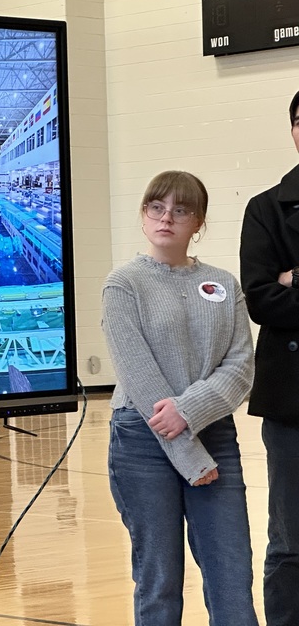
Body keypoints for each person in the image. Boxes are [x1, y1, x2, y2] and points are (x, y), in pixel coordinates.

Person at [102, 170, 258, 626]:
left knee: (231, 573)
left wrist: (189, 412)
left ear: (199, 222)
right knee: (160, 580)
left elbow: (241, 368)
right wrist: (190, 457)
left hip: (215, 437)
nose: (167, 217)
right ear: (144, 215)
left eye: (181, 209)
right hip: (142, 442)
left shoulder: (223, 284)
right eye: (157, 207)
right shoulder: (123, 284)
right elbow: (140, 377)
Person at [239, 89, 299, 626]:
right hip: (292, 401)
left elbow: (285, 292)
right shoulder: (265, 209)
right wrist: (283, 285)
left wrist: (295, 276)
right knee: (291, 537)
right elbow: (262, 298)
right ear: (293, 129)